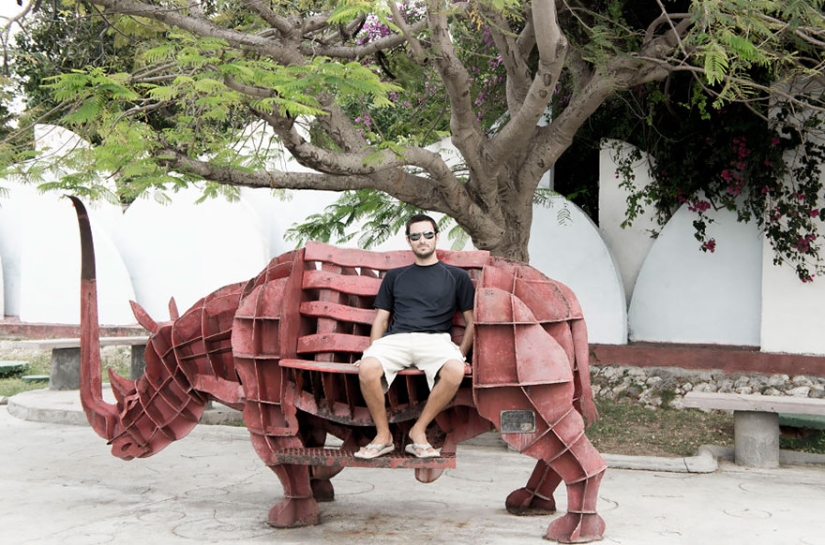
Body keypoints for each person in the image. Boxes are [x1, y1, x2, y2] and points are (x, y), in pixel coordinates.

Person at [354, 214, 475, 459]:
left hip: (435, 340)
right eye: (416, 236)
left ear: (437, 237)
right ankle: (383, 436)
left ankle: (418, 431)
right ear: (409, 240)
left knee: (455, 370)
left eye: (428, 235)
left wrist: (461, 353)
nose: (423, 240)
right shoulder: (395, 276)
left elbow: (472, 322)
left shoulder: (457, 277)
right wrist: (372, 352)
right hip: (397, 340)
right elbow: (381, 320)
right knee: (367, 368)